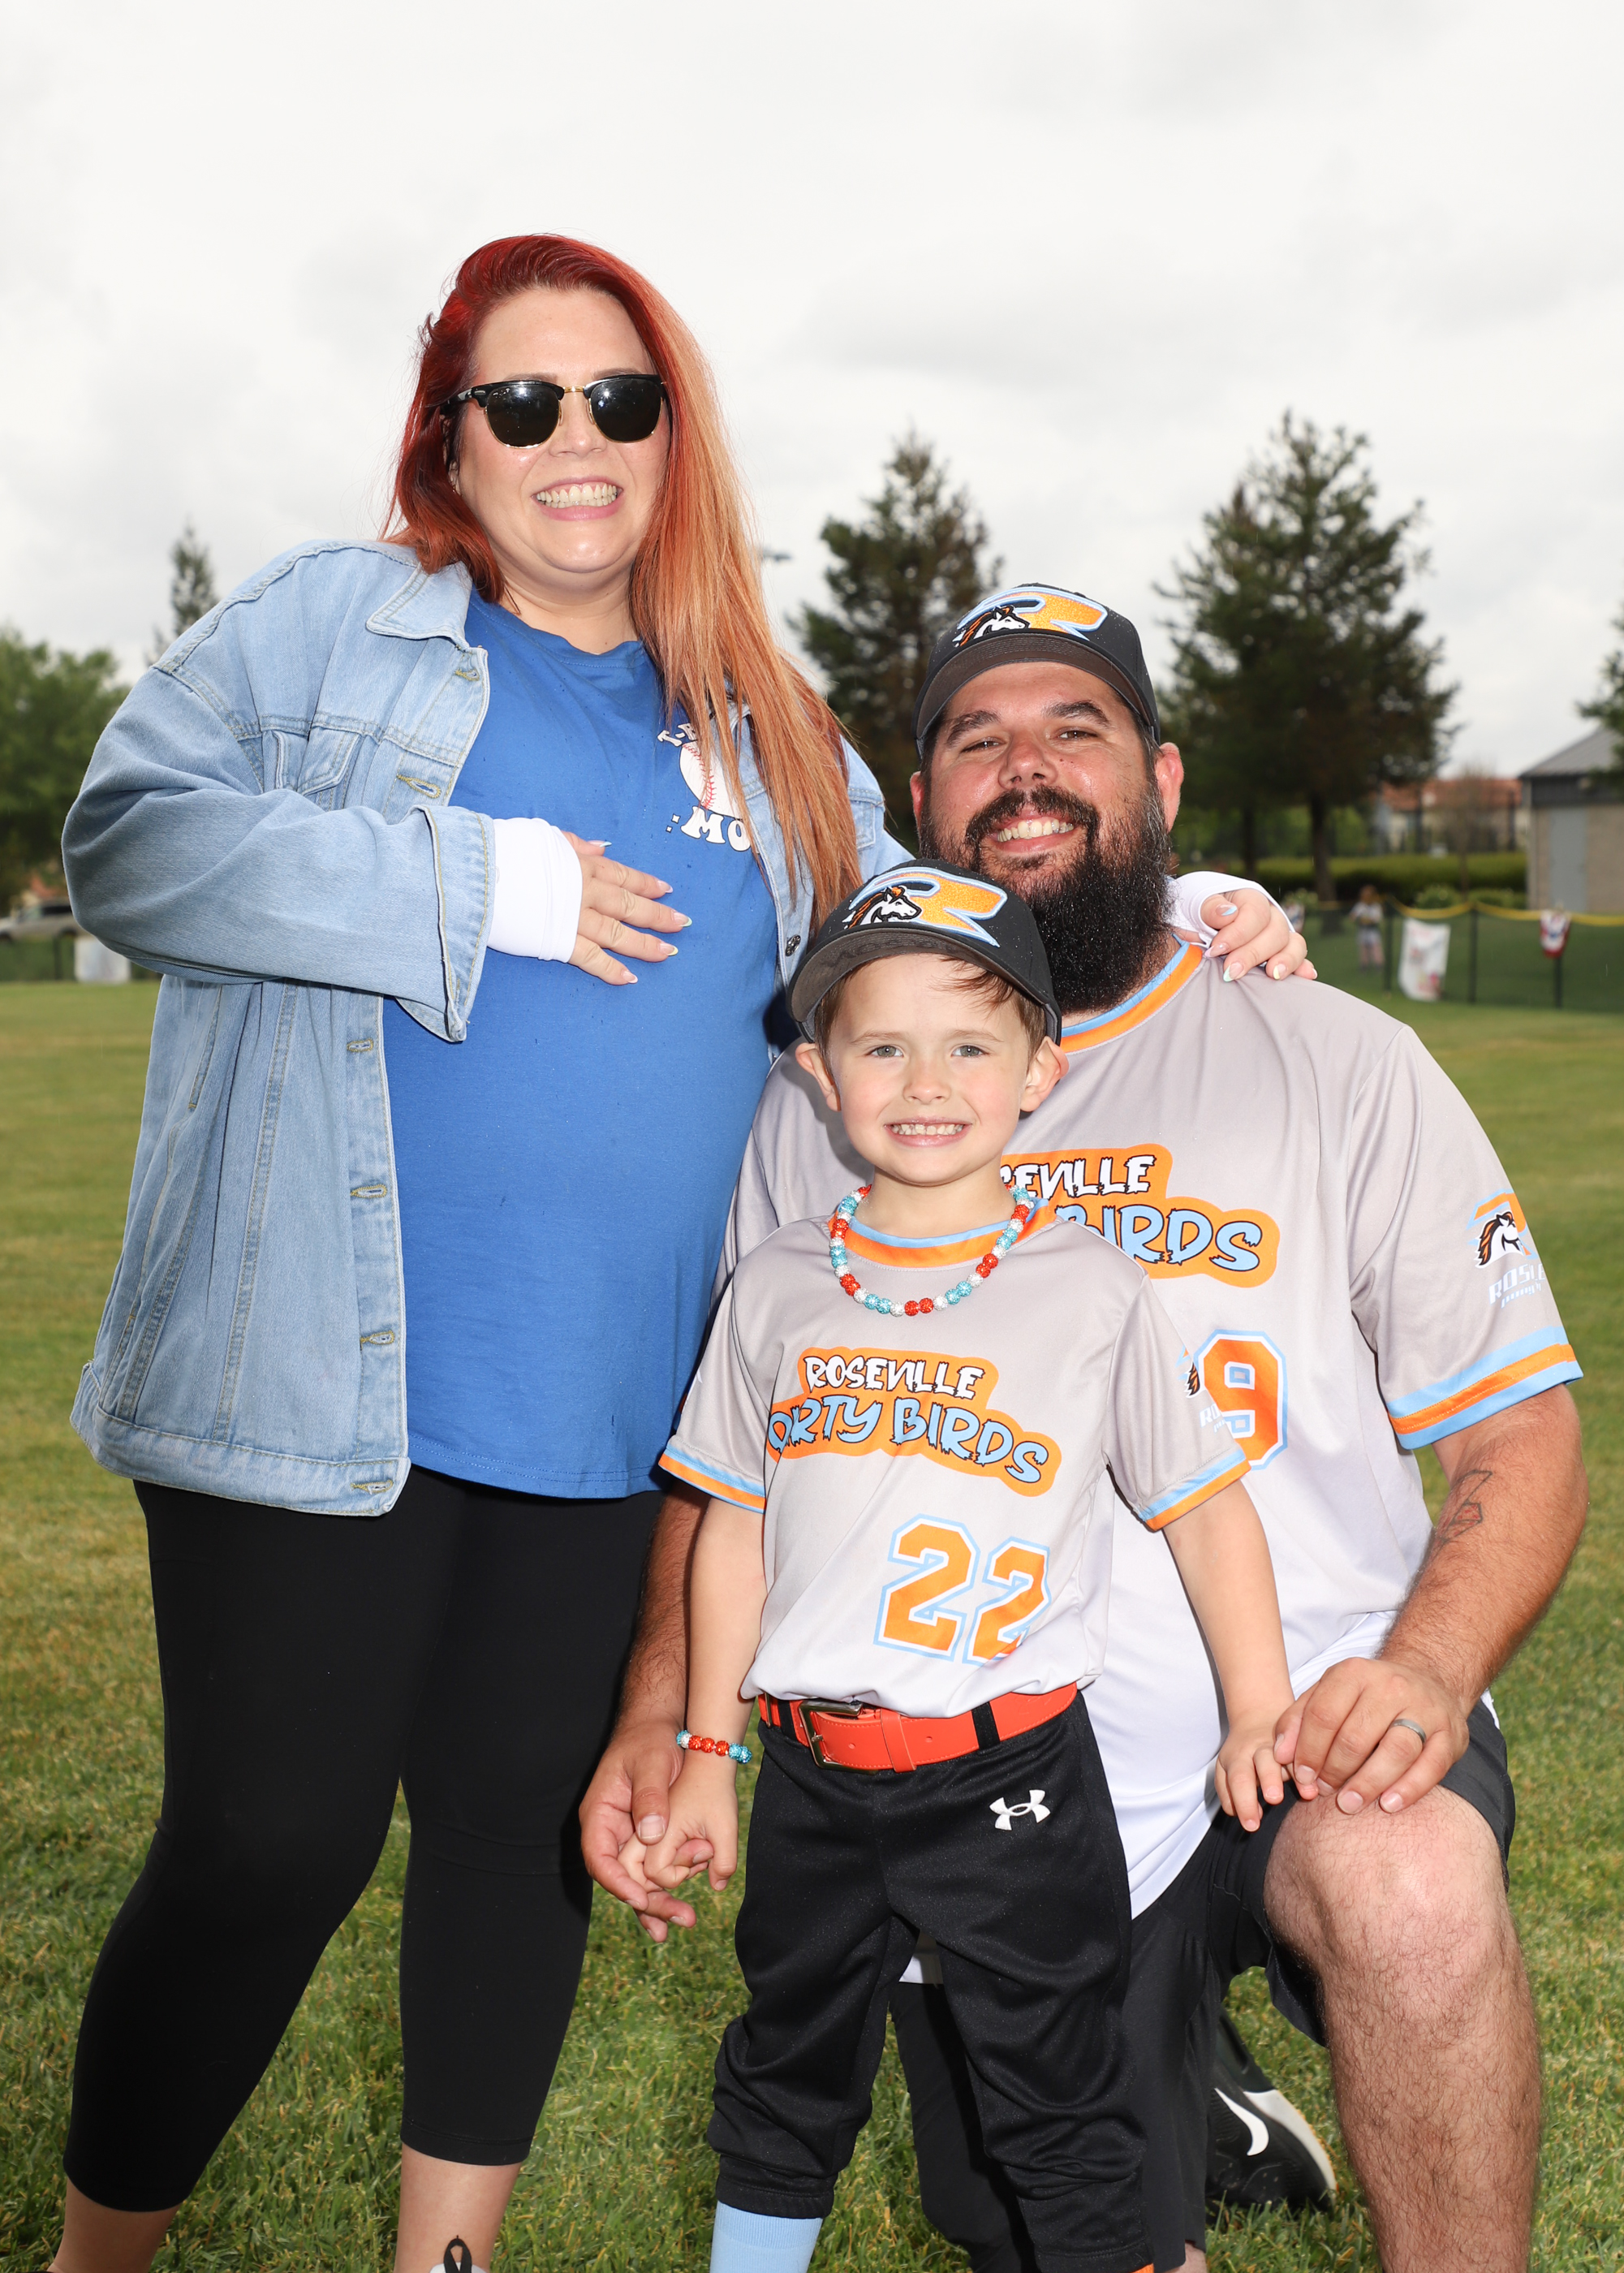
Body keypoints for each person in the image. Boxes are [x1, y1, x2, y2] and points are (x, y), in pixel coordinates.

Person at [51, 237, 1290, 2273]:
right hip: (315, 1380)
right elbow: (129, 840)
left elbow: (942, 926)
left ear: (672, 435)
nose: (578, 438)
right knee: (272, 1840)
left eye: (620, 399)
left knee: (508, 1848)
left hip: (611, 1411)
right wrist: (481, 884)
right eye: (522, 401)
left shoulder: (762, 726)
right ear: (449, 439)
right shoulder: (334, 626)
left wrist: (1189, 890)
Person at [583, 582, 1588, 2273]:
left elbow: (1523, 1440)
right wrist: (660, 1714)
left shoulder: (1330, 1054)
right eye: (978, 739)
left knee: (1406, 1880)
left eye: (1075, 728)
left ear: (1161, 777)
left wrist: (1422, 1672)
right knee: (1044, 2220)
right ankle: (1190, 2085)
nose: (1025, 768)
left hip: (1295, 1700)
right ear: (925, 804)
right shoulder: (831, 1106)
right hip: (979, 1768)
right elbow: (736, 1458)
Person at [618, 872, 1296, 2273]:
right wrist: (705, 1752)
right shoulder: (779, 1283)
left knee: (1058, 2096)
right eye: (882, 1045)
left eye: (971, 1045)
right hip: (812, 1774)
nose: (926, 1083)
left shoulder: (1092, 1287)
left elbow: (1205, 1511)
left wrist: (1257, 1709)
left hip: (1011, 1781)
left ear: (1041, 1071)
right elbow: (732, 1530)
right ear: (821, 1075)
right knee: (785, 2072)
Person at [1353, 881, 1385, 972]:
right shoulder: (1360, 906)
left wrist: (1369, 920)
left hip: (1373, 931)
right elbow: (1353, 917)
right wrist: (1360, 919)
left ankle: (1379, 965)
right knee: (1364, 950)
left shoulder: (1376, 907)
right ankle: (1364, 965)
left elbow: (1378, 918)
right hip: (1363, 931)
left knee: (1376, 949)